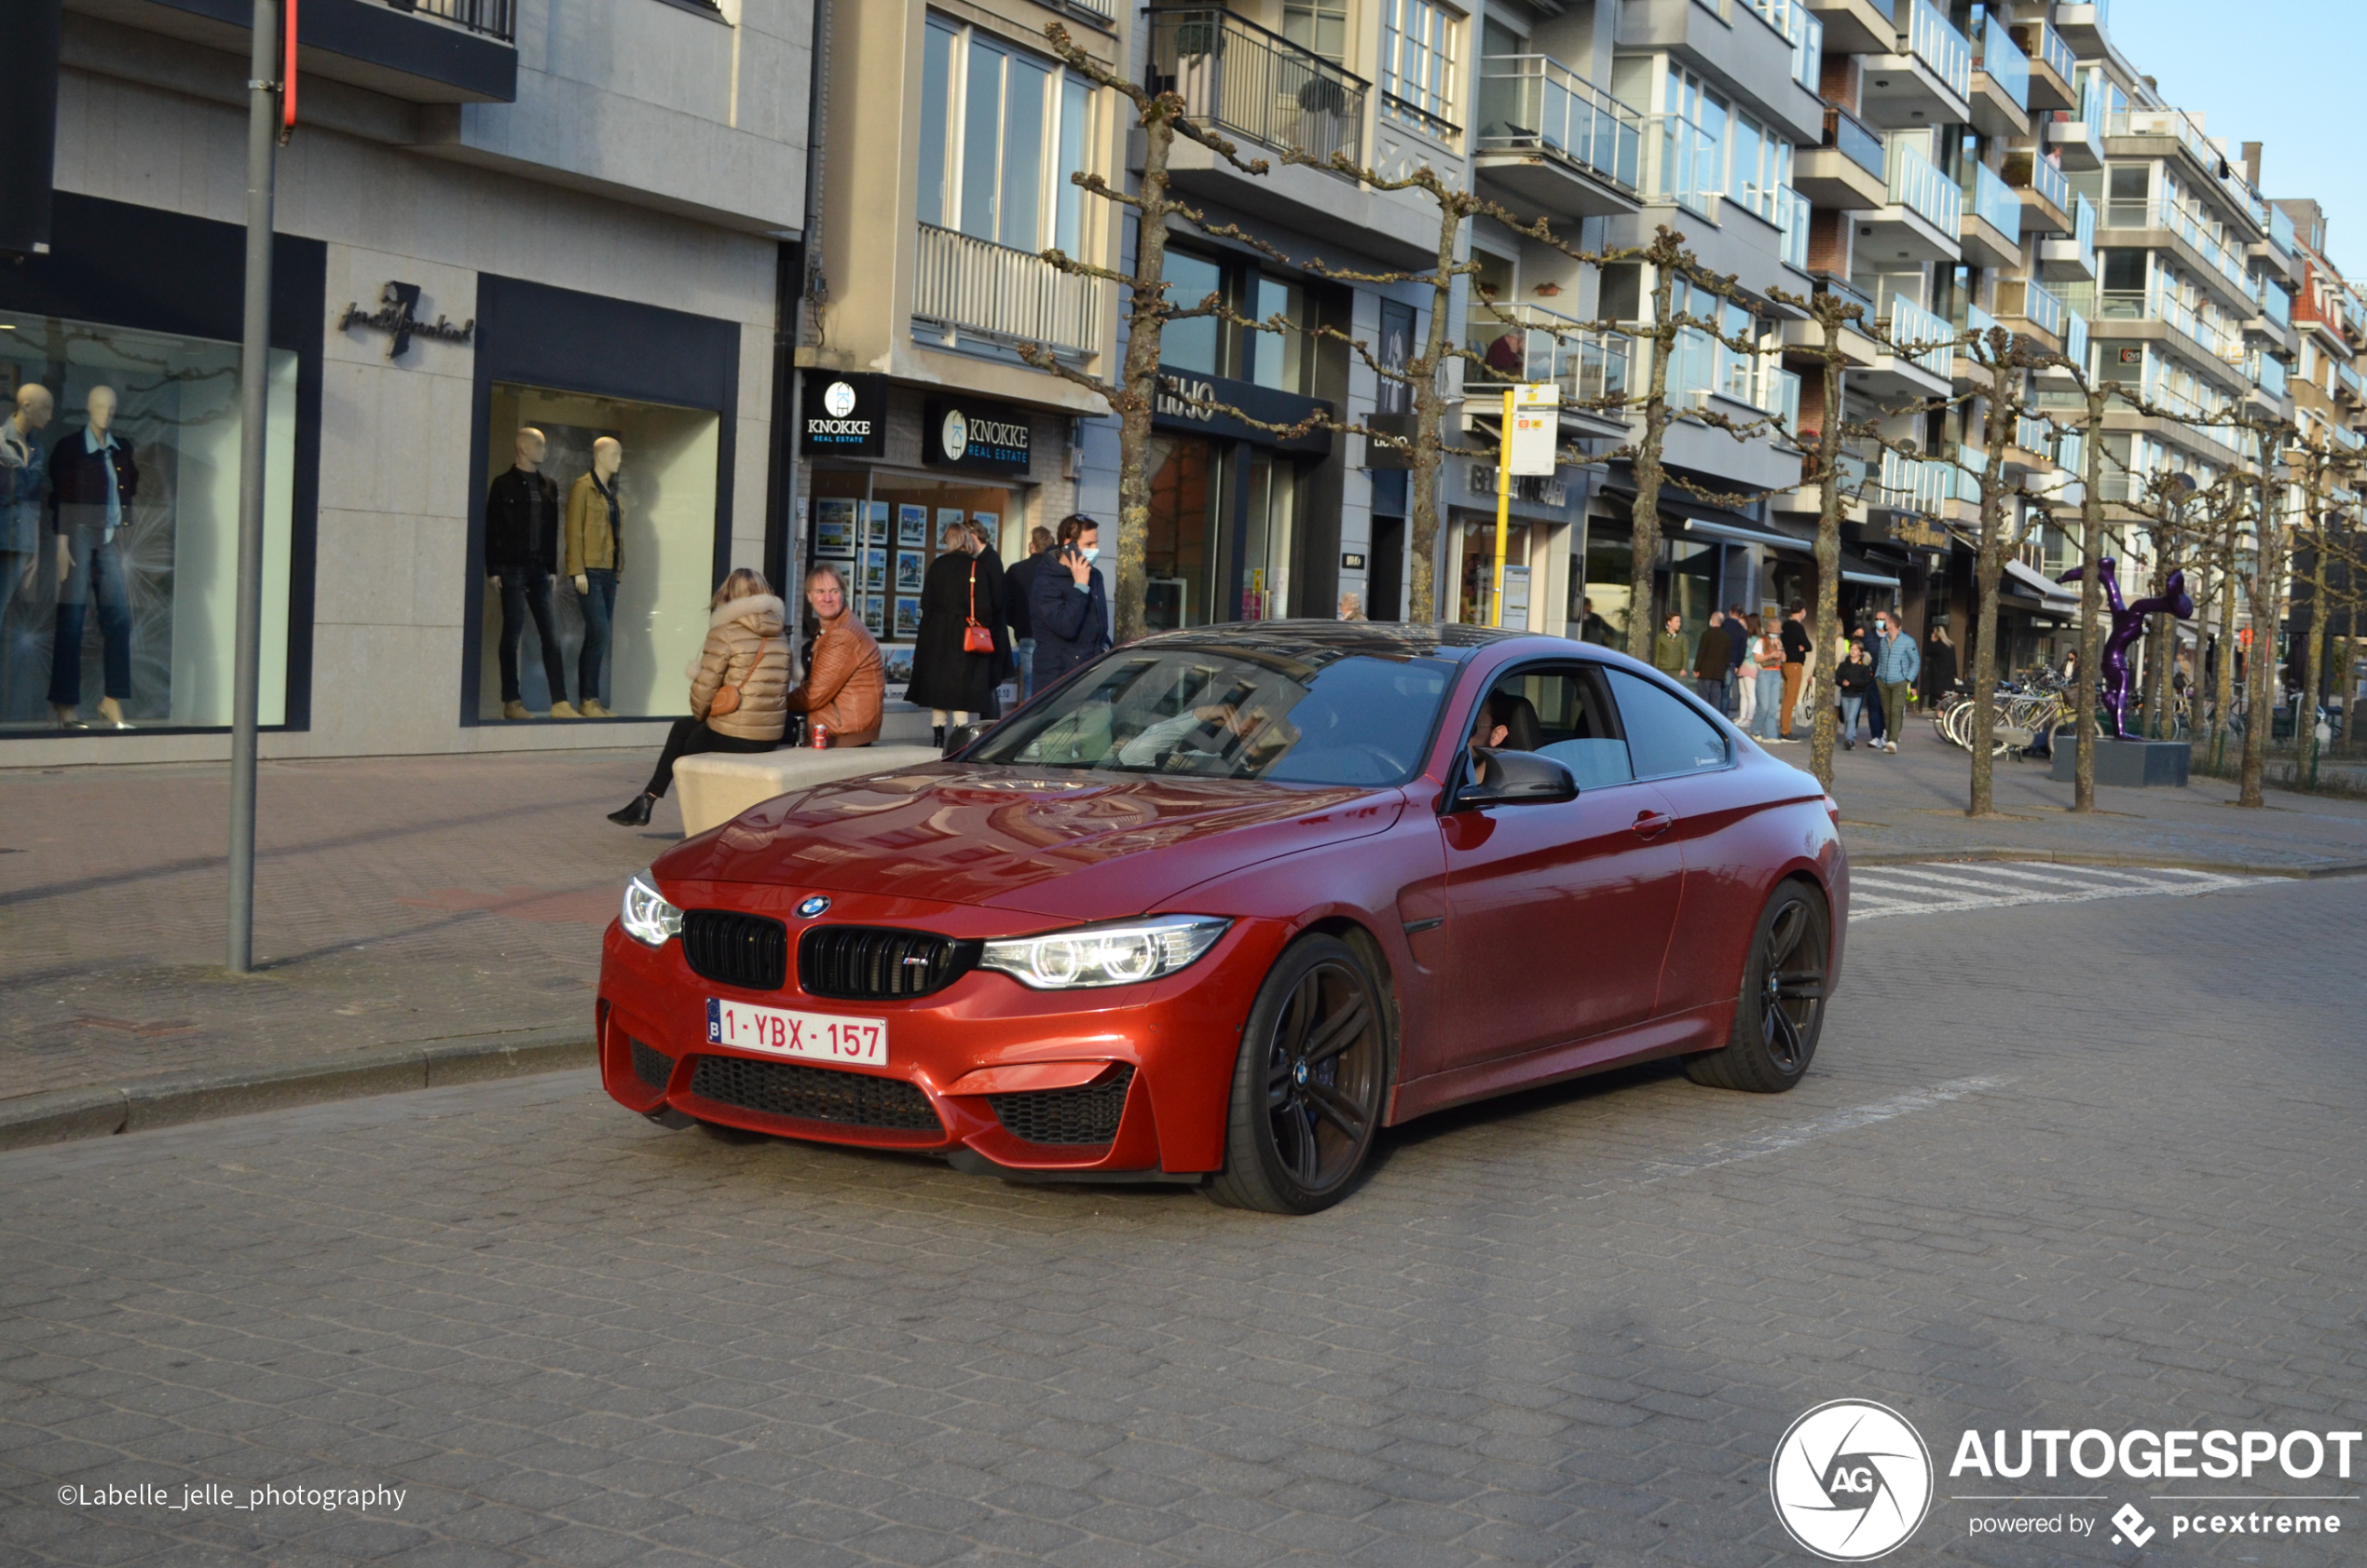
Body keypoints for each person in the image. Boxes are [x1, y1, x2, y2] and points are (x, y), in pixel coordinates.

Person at [607, 568, 788, 825]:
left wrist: (702, 715)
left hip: (738, 734)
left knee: (689, 744)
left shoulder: (725, 632)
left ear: (728, 597)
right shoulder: (780, 635)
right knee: (682, 728)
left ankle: (700, 818)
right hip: (769, 735)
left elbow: (705, 692)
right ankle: (645, 800)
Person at [907, 519, 1005, 747]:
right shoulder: (974, 567)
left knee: (938, 682)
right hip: (964, 632)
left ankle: (938, 736)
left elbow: (926, 602)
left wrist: (933, 624)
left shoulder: (936, 565)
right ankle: (961, 733)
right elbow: (984, 607)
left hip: (936, 632)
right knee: (962, 683)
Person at [782, 564, 882, 747]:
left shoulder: (842, 634)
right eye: (820, 591)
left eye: (834, 591)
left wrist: (777, 702)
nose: (827, 598)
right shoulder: (832, 627)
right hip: (844, 722)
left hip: (844, 729)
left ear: (843, 594)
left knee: (761, 724)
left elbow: (814, 695)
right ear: (809, 596)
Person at [1030, 513, 1112, 689]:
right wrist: (1080, 586)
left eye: (1096, 542)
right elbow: (1065, 627)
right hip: (1059, 681)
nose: (1095, 549)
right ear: (1069, 546)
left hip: (1092, 677)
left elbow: (1098, 624)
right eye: (1089, 544)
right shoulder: (1046, 582)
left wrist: (1106, 649)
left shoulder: (1095, 576)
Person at [1002, 525, 1055, 702]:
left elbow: (1006, 604)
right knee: (1054, 684)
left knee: (1030, 681)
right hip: (1053, 634)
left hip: (1027, 632)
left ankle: (1027, 724)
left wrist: (1017, 623)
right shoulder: (1056, 571)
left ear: (1032, 545)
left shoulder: (1016, 570)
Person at [1871, 610, 1919, 753]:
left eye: (1886, 621)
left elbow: (1915, 661)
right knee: (1886, 711)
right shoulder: (1884, 641)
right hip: (1883, 681)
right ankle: (1889, 738)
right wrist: (1878, 676)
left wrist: (1908, 679)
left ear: (1892, 623)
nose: (1884, 623)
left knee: (1896, 710)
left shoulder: (1907, 641)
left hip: (1899, 681)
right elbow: (1881, 659)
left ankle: (1893, 740)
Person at [1778, 607, 1812, 741]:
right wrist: (1804, 647)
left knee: (1786, 698)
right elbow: (1808, 645)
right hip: (1795, 664)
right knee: (1791, 698)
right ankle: (1786, 731)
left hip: (1785, 664)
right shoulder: (1798, 627)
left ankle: (1784, 726)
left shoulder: (1785, 625)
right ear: (1803, 610)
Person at [1835, 645, 1876, 750]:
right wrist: (1842, 682)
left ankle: (1849, 740)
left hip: (1857, 694)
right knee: (1846, 718)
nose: (1853, 652)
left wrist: (1852, 683)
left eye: (1856, 650)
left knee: (1851, 717)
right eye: (1851, 649)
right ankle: (1850, 736)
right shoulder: (1844, 664)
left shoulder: (1864, 666)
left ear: (1860, 652)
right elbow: (1837, 676)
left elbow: (1866, 680)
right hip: (1845, 693)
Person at [1691, 610, 1731, 710]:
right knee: (1716, 699)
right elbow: (1727, 657)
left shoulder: (1706, 634)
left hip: (1705, 671)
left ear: (1712, 620)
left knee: (1703, 698)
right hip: (1718, 673)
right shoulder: (1726, 637)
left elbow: (1701, 652)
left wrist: (1697, 668)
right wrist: (1724, 669)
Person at [1750, 628, 1786, 743]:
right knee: (1764, 706)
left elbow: (1784, 659)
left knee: (1773, 707)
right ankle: (1755, 730)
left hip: (1776, 673)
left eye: (1778, 633)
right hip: (1764, 673)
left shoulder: (1778, 642)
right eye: (1774, 633)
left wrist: (1779, 647)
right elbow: (1756, 658)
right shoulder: (1761, 642)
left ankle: (1770, 735)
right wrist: (1770, 656)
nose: (1776, 635)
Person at [1733, 615, 1760, 731]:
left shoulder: (1755, 638)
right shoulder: (1748, 636)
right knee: (1743, 693)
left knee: (1750, 694)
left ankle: (1749, 719)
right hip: (1743, 667)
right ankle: (1742, 716)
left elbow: (1748, 653)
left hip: (1750, 667)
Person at [1724, 603, 1751, 715]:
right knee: (1726, 691)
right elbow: (1742, 650)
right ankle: (1723, 716)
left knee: (1716, 690)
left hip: (1718, 661)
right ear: (1740, 615)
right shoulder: (1742, 631)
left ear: (1730, 612)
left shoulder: (1723, 624)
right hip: (1731, 662)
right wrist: (1737, 664)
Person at [1924, 624, 1957, 705]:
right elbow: (1954, 663)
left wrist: (1932, 642)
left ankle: (1938, 716)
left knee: (1936, 701)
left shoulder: (1936, 646)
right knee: (1944, 701)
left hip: (1937, 679)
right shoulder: (1950, 646)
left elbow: (1926, 652)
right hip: (1948, 679)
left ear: (1936, 635)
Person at [1652, 612, 1689, 677]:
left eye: (1679, 622)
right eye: (1677, 622)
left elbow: (1685, 653)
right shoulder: (1661, 636)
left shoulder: (1682, 637)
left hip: (1677, 671)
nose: (1679, 624)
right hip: (1663, 670)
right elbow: (1657, 654)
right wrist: (1655, 669)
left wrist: (1684, 668)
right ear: (1669, 623)